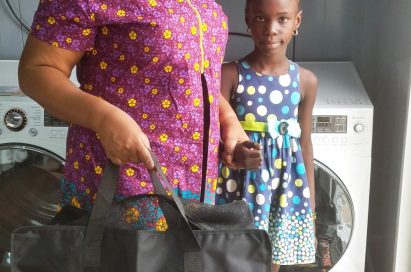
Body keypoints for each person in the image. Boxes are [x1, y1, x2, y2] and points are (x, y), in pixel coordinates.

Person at [18, 0, 257, 230]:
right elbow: (36, 71)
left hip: (195, 184)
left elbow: (195, 73)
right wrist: (103, 118)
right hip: (124, 180)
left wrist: (228, 120)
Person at [215, 0, 318, 271]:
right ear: (247, 20)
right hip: (238, 188)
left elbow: (305, 144)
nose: (271, 29)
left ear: (297, 22)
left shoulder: (305, 81)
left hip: (284, 192)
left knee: (271, 260)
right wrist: (235, 151)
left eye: (282, 19)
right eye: (260, 19)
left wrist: (311, 204)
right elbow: (214, 136)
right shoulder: (229, 75)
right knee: (229, 257)